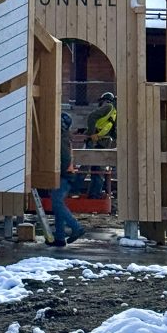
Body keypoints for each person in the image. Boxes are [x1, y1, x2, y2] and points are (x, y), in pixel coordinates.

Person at [50, 112, 85, 247]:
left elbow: (64, 158)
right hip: (65, 175)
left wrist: (59, 171)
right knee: (57, 204)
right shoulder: (64, 137)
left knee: (57, 203)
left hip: (64, 175)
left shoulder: (61, 139)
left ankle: (76, 227)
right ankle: (59, 237)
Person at [86, 91, 117, 199]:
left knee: (96, 168)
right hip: (99, 141)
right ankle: (93, 193)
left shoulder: (110, 108)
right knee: (96, 168)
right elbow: (93, 118)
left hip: (100, 141)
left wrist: (91, 133)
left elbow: (94, 119)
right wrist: (91, 133)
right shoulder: (110, 109)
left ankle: (93, 193)